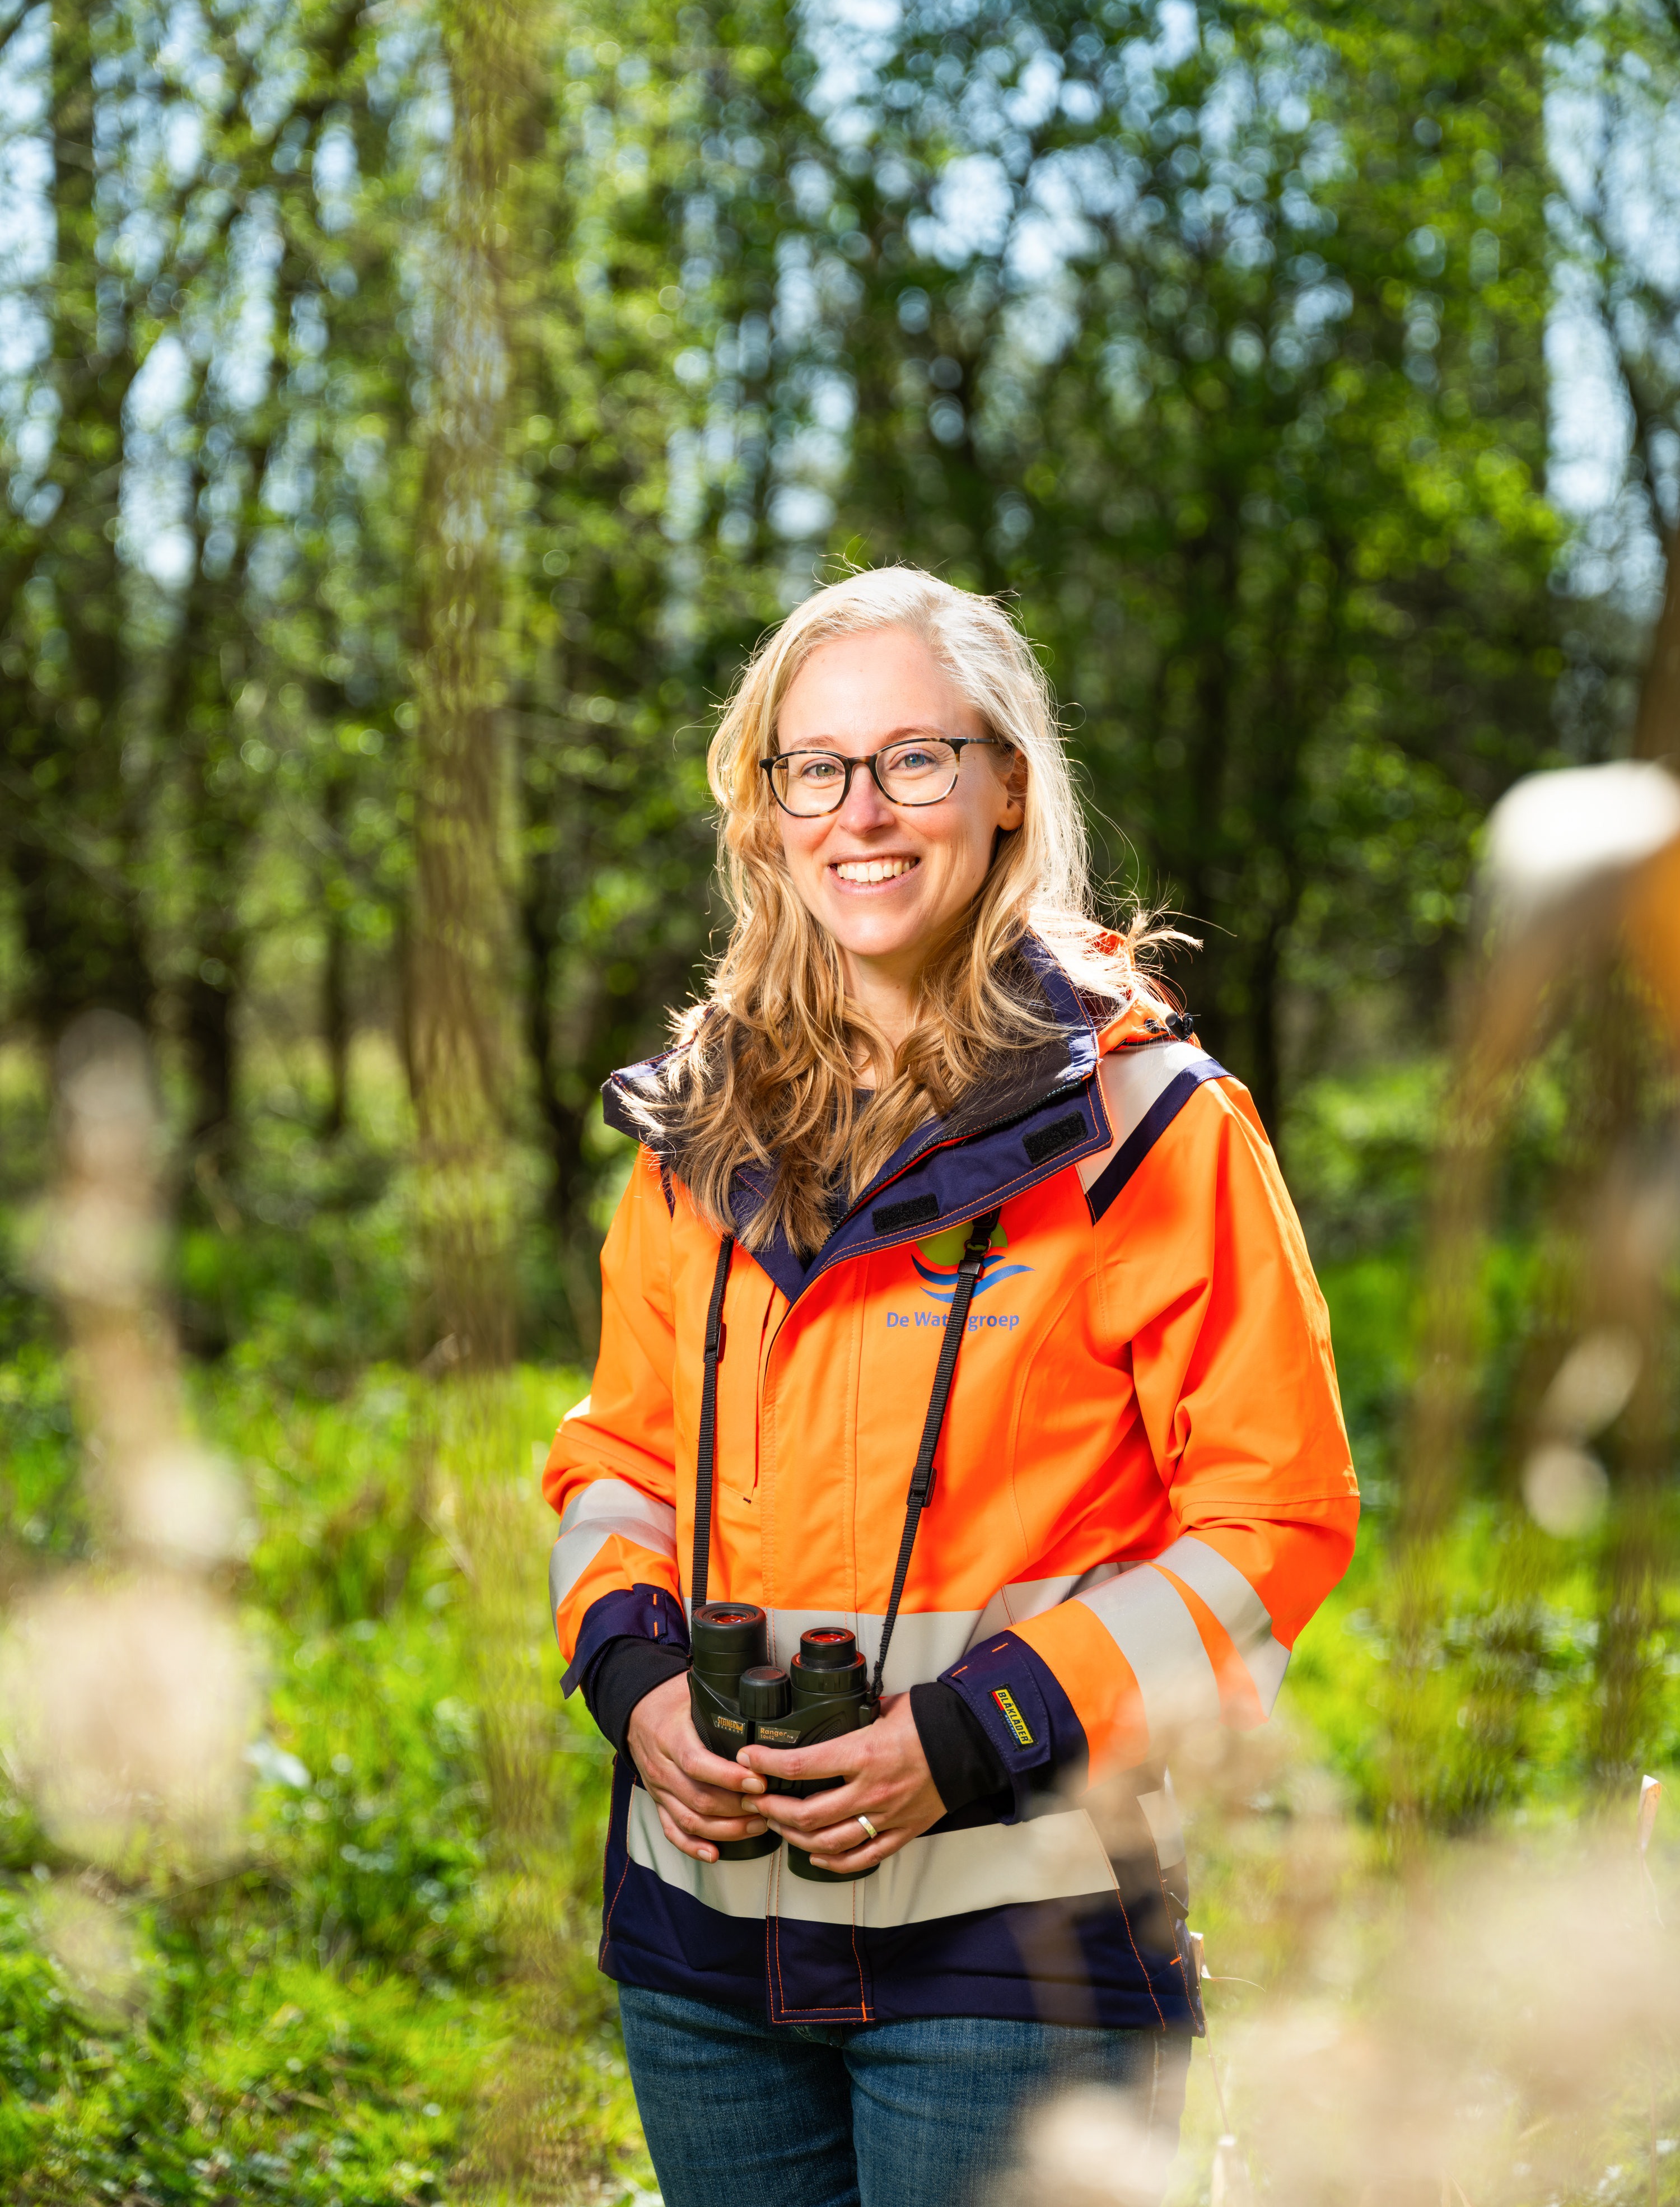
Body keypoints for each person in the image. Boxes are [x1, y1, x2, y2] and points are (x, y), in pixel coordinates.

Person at [542, 566, 1356, 2207]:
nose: (862, 812)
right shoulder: (697, 1131)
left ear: (1008, 788)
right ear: (765, 810)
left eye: (915, 759)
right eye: (815, 767)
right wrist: (632, 1677)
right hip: (702, 1940)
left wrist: (979, 1728)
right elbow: (619, 1459)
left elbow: (1272, 1519)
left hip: (1019, 1952)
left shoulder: (1147, 1127)